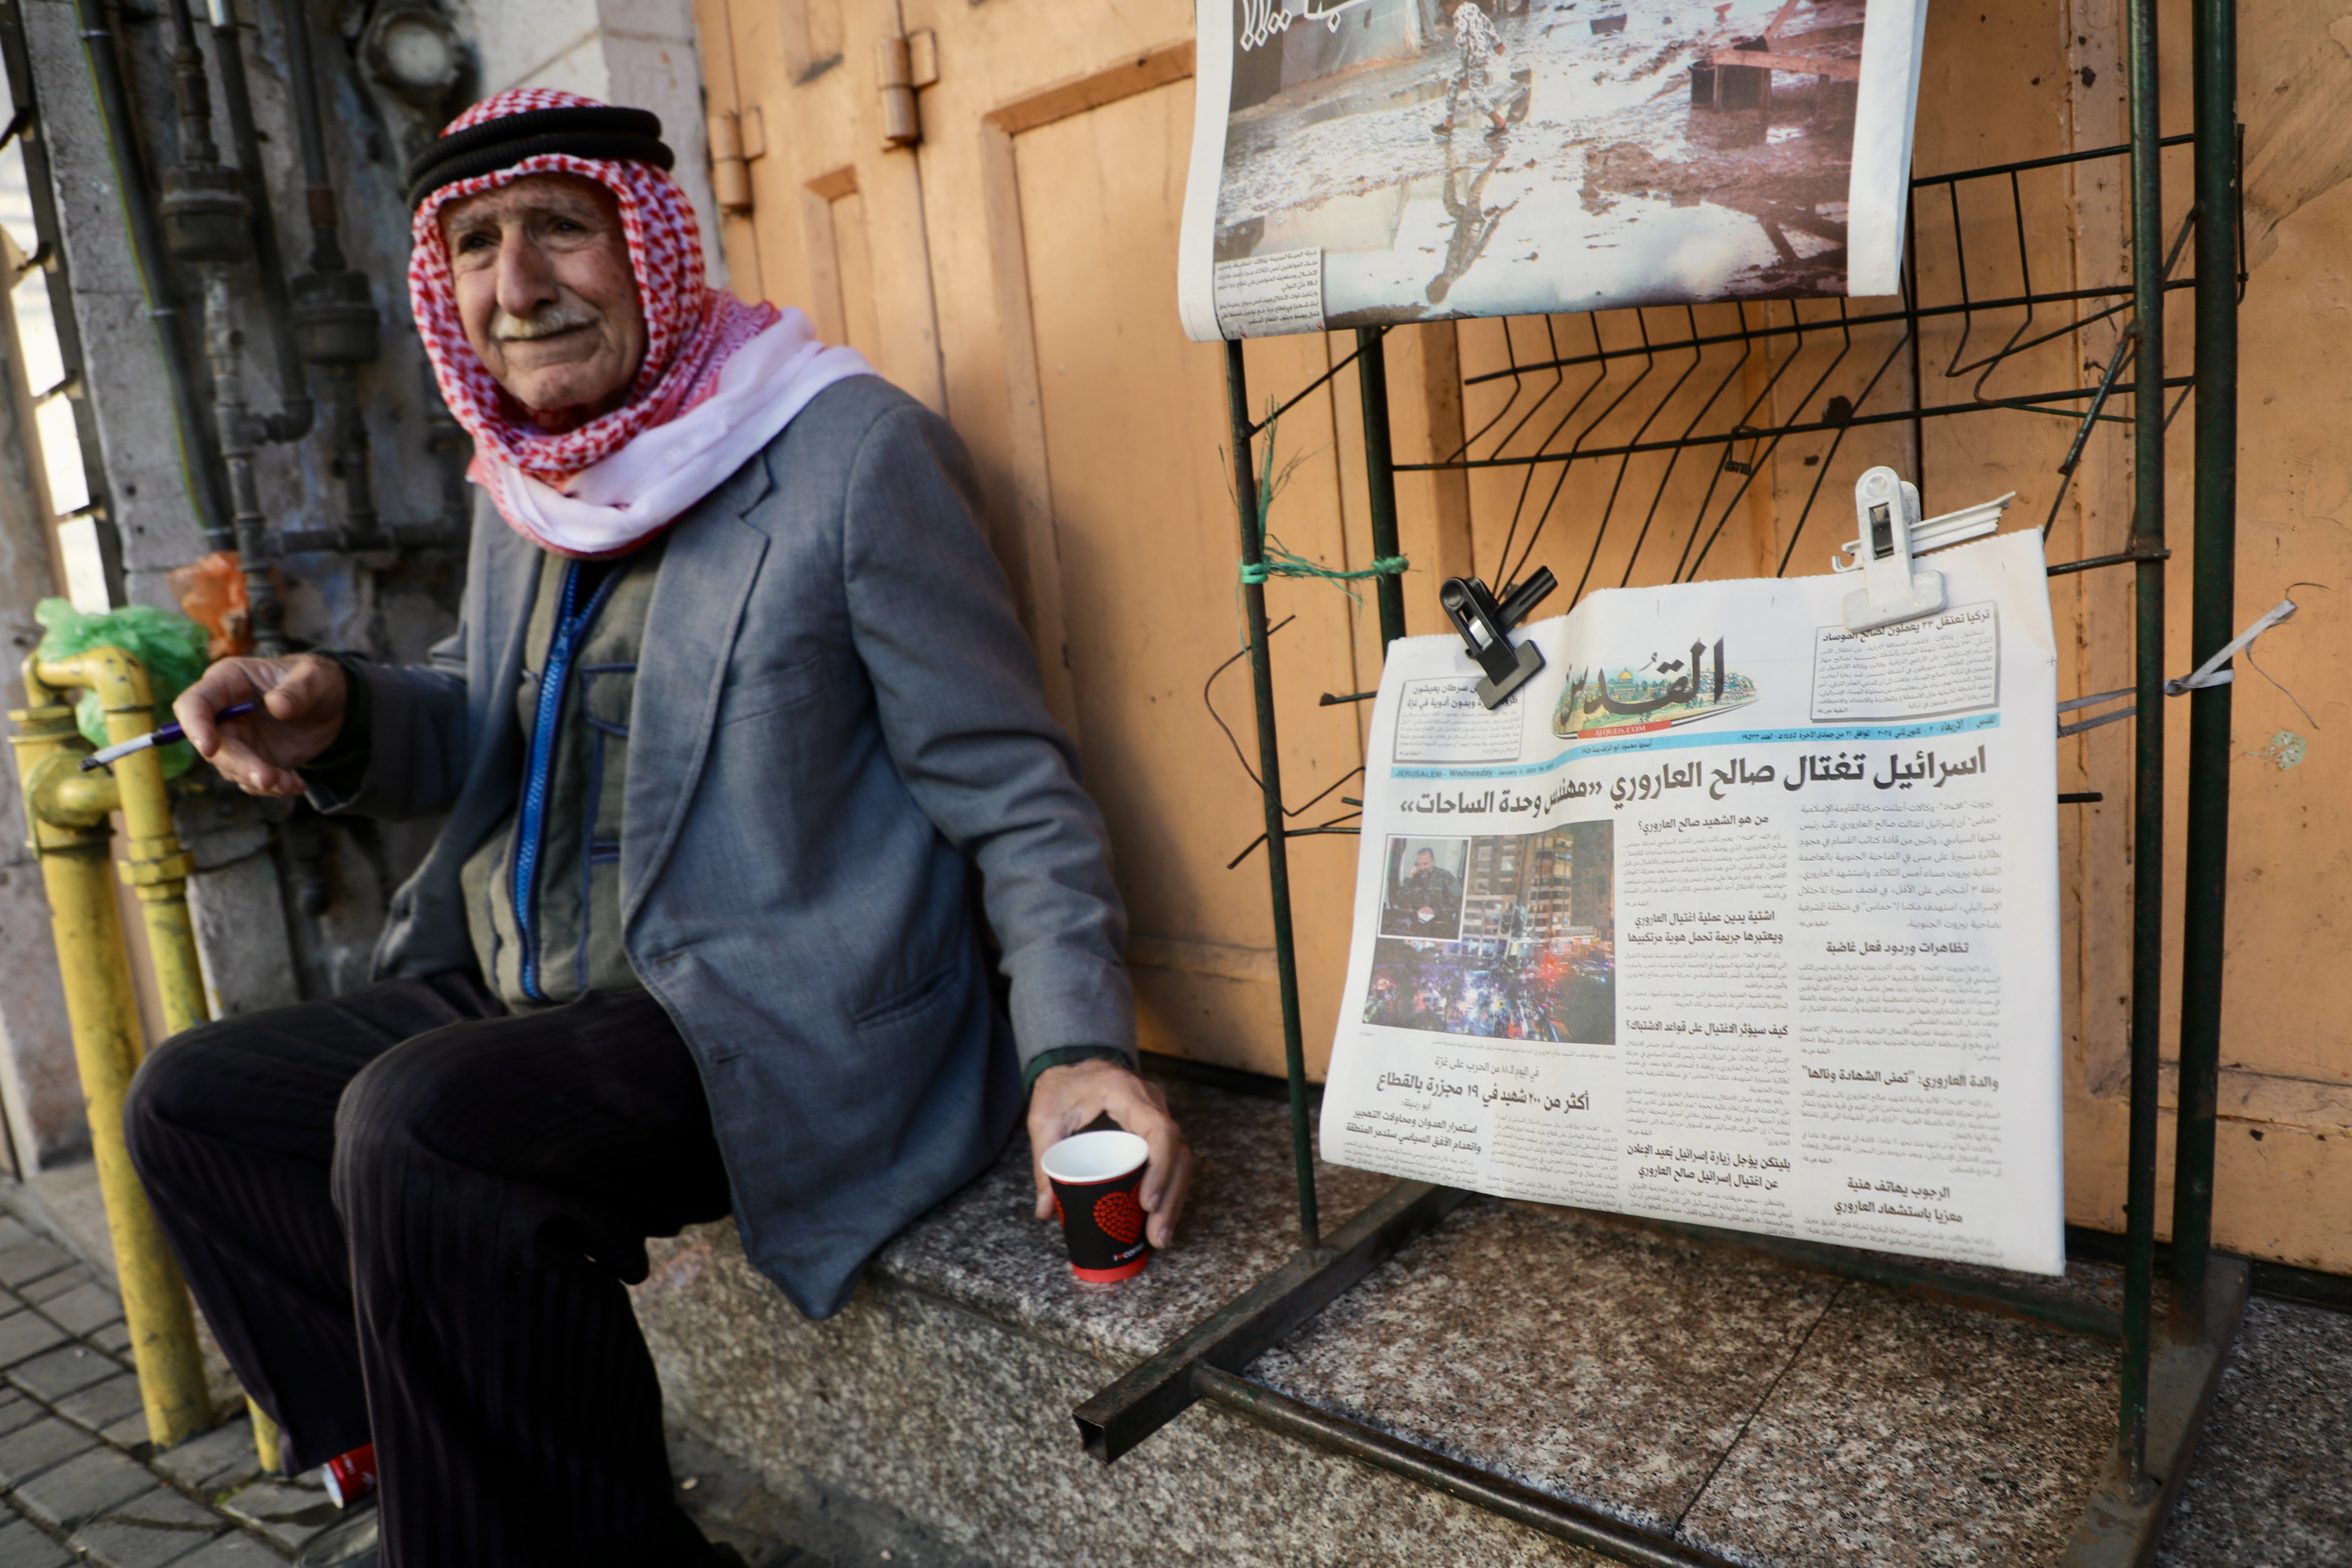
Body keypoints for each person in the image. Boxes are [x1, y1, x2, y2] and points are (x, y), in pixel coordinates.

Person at [121, 89, 1192, 1568]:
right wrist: (344, 715)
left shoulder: (844, 455)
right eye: (477, 246)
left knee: (421, 1124)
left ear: (650, 243)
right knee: (196, 1098)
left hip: (759, 1013)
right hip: (537, 986)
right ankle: (449, 1475)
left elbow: (1008, 778)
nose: (518, 286)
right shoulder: (528, 481)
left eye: (560, 227)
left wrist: (1077, 1041)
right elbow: (495, 711)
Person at [1433, 0, 1510, 141]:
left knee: (1476, 94)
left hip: (1471, 58)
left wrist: (1465, 64)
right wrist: (1497, 43)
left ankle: (1499, 122)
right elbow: (1487, 24)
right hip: (1481, 53)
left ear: (1451, 5)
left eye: (1446, 10)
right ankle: (1449, 122)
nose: (1447, 14)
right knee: (1453, 84)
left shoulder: (1459, 16)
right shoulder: (1473, 8)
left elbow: (1462, 41)